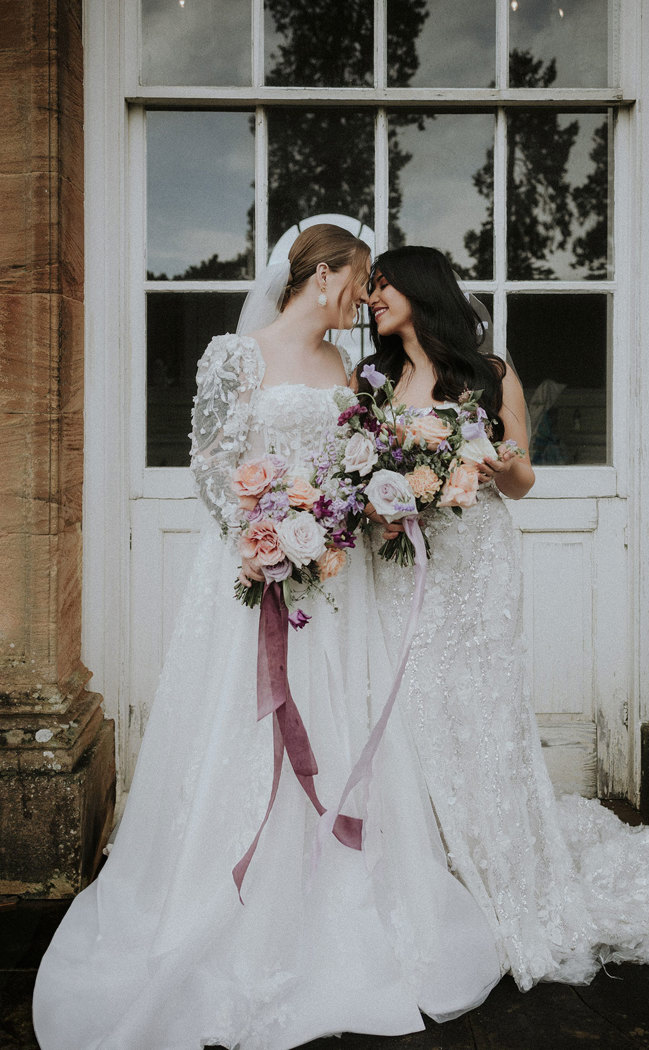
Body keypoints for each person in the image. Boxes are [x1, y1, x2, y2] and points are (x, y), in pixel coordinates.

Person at [32, 225, 502, 1050]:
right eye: (358, 282)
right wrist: (272, 527)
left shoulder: (349, 372)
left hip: (336, 588)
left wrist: (339, 516)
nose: (364, 299)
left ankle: (342, 892)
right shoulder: (234, 356)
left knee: (340, 721)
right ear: (323, 277)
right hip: (255, 579)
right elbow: (210, 465)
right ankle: (222, 899)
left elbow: (355, 461)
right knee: (238, 733)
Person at [359, 245, 649, 991]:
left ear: (420, 288)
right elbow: (361, 475)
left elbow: (523, 482)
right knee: (410, 714)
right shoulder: (374, 381)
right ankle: (424, 880)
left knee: (483, 715)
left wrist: (482, 456)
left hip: (476, 562)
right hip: (400, 565)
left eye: (382, 284)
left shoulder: (491, 372)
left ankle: (504, 876)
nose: (371, 297)